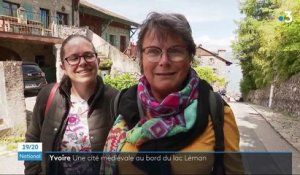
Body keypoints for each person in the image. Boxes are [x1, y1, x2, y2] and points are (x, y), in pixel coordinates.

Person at [101, 12, 243, 174]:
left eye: (175, 51)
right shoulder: (123, 103)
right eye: (153, 51)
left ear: (190, 56)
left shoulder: (217, 112)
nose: (164, 61)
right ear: (141, 57)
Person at [25, 34, 118, 175]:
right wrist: (32, 172)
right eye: (74, 58)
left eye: (88, 55)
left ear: (97, 61)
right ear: (63, 67)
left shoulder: (115, 99)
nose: (82, 62)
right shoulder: (48, 95)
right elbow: (31, 140)